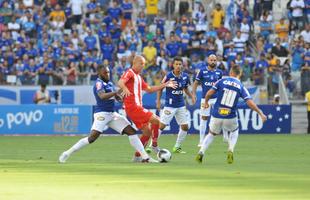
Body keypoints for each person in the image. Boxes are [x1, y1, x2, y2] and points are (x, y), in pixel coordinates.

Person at [58, 65, 157, 163]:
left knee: (131, 131)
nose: (107, 74)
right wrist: (115, 93)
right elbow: (102, 96)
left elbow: (114, 97)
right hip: (102, 114)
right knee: (92, 138)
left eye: (108, 72)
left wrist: (120, 98)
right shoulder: (99, 83)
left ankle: (145, 157)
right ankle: (67, 153)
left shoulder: (109, 83)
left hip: (112, 114)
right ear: (99, 73)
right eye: (105, 72)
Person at [196, 65, 267, 164]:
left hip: (217, 114)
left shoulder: (221, 81)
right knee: (234, 131)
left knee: (211, 134)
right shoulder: (240, 86)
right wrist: (260, 113)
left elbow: (208, 93)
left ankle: (201, 152)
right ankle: (230, 150)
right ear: (240, 74)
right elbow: (249, 102)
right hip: (230, 115)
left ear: (231, 72)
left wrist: (206, 102)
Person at [118, 55, 177, 162]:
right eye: (141, 64)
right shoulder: (130, 72)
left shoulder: (139, 78)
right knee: (158, 120)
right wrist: (125, 88)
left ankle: (137, 157)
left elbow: (149, 89)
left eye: (144, 64)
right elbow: (120, 82)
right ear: (135, 63)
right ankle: (154, 145)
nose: (142, 66)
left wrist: (165, 84)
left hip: (136, 108)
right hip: (133, 107)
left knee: (147, 133)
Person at [155, 57, 194, 153]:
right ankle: (152, 145)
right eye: (176, 64)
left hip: (180, 105)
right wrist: (159, 101)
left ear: (182, 65)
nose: (178, 66)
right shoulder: (168, 76)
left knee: (185, 127)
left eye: (180, 64)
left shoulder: (185, 76)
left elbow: (185, 88)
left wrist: (191, 96)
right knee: (162, 126)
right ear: (173, 65)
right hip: (169, 105)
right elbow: (160, 88)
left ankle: (177, 147)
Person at [192, 54, 223, 147]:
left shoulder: (219, 72)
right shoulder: (202, 71)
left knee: (221, 117)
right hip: (205, 99)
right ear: (208, 60)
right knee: (204, 118)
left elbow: (221, 86)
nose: (213, 62)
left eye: (214, 60)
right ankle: (201, 141)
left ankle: (224, 137)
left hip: (217, 99)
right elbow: (196, 83)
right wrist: (193, 94)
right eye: (211, 60)